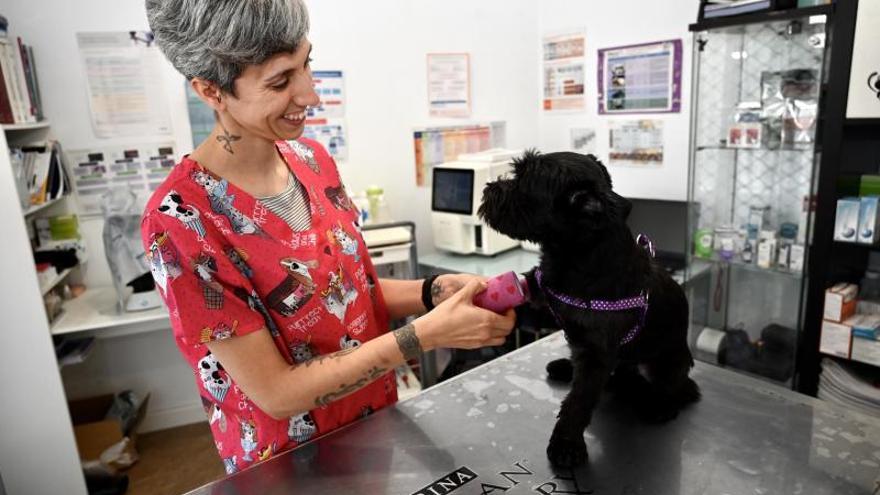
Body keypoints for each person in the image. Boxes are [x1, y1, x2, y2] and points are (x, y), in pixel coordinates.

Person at [141, 0, 516, 474]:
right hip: (293, 465)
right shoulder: (182, 221)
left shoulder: (313, 161)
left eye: (307, 64)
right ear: (210, 90)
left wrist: (430, 291)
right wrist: (421, 336)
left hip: (377, 425)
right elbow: (276, 394)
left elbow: (342, 294)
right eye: (280, 81)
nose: (311, 94)